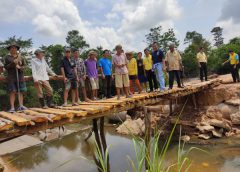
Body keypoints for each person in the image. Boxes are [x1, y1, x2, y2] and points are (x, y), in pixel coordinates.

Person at [4, 42, 27, 112]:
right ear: (9, 49)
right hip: (11, 77)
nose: (13, 49)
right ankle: (12, 107)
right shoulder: (7, 57)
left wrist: (20, 67)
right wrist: (14, 63)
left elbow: (25, 66)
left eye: (15, 48)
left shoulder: (21, 57)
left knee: (21, 91)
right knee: (12, 91)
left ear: (17, 49)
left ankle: (21, 105)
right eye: (12, 48)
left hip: (20, 76)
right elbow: (6, 67)